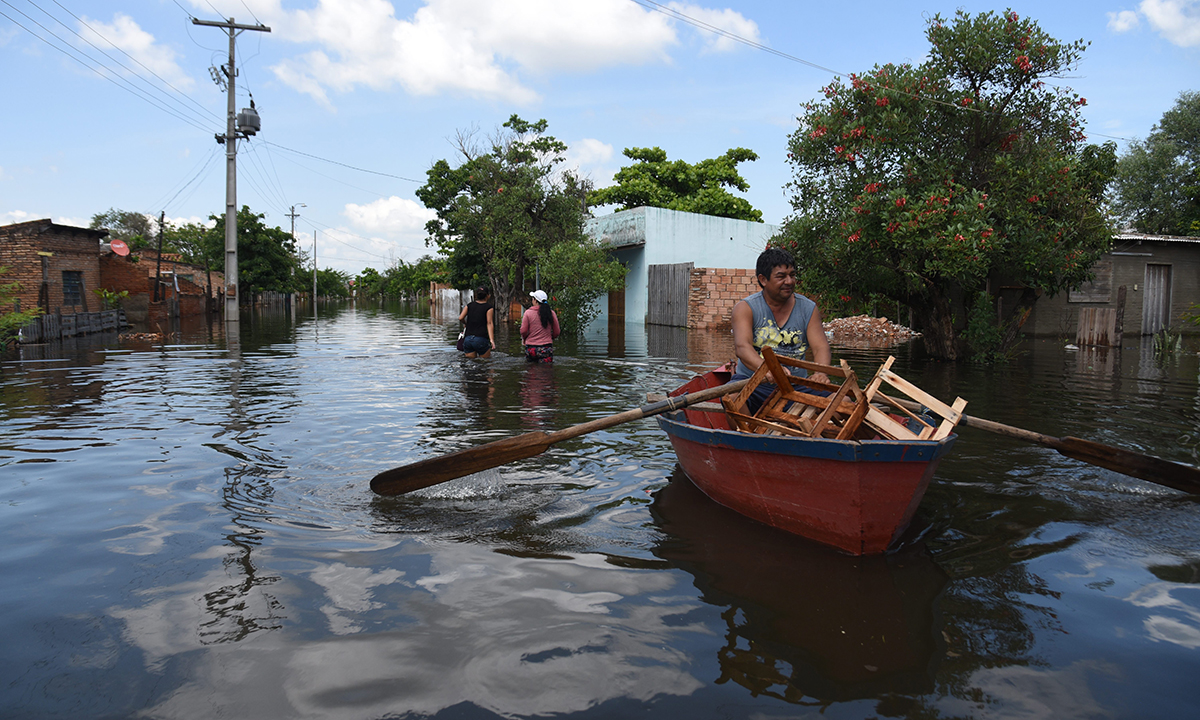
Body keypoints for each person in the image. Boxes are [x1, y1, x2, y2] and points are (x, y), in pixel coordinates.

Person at [730, 247, 832, 412]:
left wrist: (821, 373)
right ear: (763, 280)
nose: (789, 281)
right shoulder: (745, 308)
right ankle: (748, 429)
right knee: (733, 399)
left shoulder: (808, 308)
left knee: (844, 402)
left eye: (792, 275)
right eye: (781, 276)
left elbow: (820, 347)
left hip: (796, 386)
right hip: (754, 383)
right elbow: (742, 348)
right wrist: (769, 369)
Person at [520, 289, 560, 363]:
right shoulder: (551, 313)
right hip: (546, 347)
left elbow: (523, 331)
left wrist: (524, 339)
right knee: (546, 368)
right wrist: (550, 337)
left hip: (531, 347)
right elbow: (557, 332)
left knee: (531, 368)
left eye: (533, 298)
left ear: (535, 300)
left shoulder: (528, 313)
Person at [458, 285, 496, 358]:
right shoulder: (488, 307)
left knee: (471, 363)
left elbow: (460, 318)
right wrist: (492, 340)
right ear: (488, 296)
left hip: (468, 339)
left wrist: (465, 323)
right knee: (486, 362)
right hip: (481, 339)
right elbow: (489, 323)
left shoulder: (469, 305)